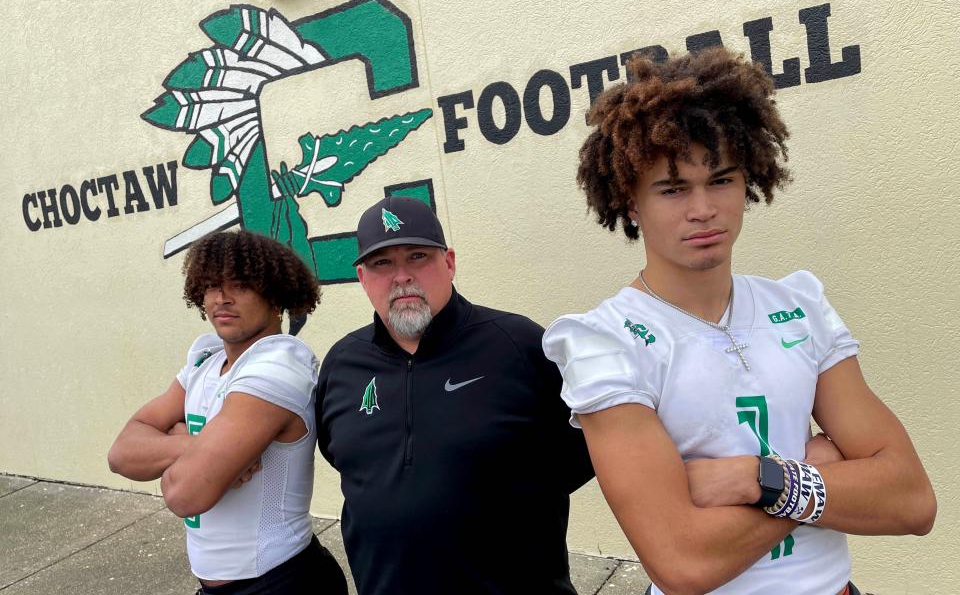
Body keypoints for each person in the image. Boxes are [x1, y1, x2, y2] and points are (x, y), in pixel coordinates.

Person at [542, 47, 936, 595]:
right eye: (674, 189)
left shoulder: (800, 305)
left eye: (721, 180)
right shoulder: (605, 342)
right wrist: (818, 470)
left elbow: (912, 500)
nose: (702, 209)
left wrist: (759, 477)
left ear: (749, 180)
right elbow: (684, 563)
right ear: (631, 200)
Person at [316, 195, 595, 595]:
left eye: (417, 256)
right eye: (383, 263)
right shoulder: (342, 364)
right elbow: (341, 455)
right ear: (362, 277)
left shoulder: (520, 345)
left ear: (448, 262)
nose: (401, 276)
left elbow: (585, 452)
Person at [107, 229, 346, 595]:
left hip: (279, 580)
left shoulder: (277, 365)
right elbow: (121, 454)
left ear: (275, 296)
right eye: (211, 285)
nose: (222, 297)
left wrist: (173, 443)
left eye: (240, 284)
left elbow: (184, 494)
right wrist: (198, 448)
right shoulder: (206, 361)